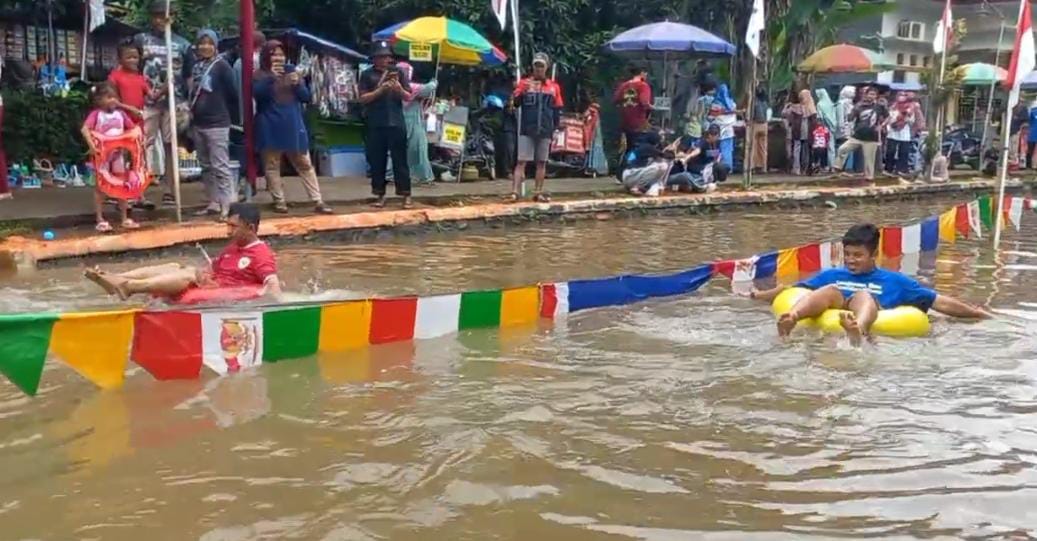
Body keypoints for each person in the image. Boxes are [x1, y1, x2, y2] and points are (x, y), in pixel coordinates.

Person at [748, 223, 989, 346]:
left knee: (863, 295)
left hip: (872, 318)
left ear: (873, 254)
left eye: (858, 255)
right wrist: (760, 296)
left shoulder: (896, 281)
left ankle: (857, 328)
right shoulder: (834, 274)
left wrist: (976, 313)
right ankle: (793, 318)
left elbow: (940, 301)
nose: (851, 260)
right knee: (829, 290)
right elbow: (793, 289)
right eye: (848, 254)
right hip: (832, 319)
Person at [84, 203, 282, 301]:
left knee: (188, 274)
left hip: (229, 292)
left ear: (251, 228)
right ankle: (118, 278)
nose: (228, 231)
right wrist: (205, 275)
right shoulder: (232, 249)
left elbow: (272, 283)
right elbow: (212, 270)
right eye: (228, 225)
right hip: (215, 284)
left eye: (234, 227)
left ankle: (131, 287)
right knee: (175, 266)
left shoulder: (261, 253)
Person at [254, 40, 333, 214]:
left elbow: (306, 97)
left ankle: (317, 200)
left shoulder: (292, 71)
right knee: (273, 165)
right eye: (273, 54)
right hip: (270, 124)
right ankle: (279, 201)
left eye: (281, 54)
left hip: (293, 123)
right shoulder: (260, 74)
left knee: (304, 163)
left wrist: (298, 83)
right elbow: (258, 95)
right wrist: (271, 78)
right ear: (266, 56)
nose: (278, 58)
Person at [133, 0, 192, 208]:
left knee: (170, 147)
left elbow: (188, 77)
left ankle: (170, 191)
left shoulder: (184, 45)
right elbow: (134, 68)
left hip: (174, 101)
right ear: (152, 17)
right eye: (157, 16)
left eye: (165, 16)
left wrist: (187, 103)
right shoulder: (141, 40)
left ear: (172, 17)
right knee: (142, 146)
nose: (161, 20)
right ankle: (137, 191)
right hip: (147, 101)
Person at [189, 29, 238, 220]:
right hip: (198, 122)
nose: (205, 47)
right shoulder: (196, 67)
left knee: (220, 166)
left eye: (209, 43)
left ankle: (228, 205)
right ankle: (213, 202)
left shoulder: (222, 67)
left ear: (215, 46)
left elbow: (233, 94)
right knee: (206, 165)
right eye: (202, 43)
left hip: (217, 123)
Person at [80, 82, 141, 233]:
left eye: (114, 97)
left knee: (121, 185)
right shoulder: (96, 115)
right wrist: (92, 147)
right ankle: (100, 218)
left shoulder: (121, 114)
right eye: (108, 97)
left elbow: (133, 127)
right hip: (102, 156)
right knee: (100, 187)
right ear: (98, 100)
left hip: (118, 155)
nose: (112, 100)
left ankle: (124, 217)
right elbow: (85, 129)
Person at [359, 40, 412, 209]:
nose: (384, 60)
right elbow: (363, 98)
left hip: (396, 121)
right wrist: (380, 90)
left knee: (400, 160)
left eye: (387, 57)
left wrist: (397, 88)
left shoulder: (398, 73)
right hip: (376, 122)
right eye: (381, 57)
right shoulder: (367, 75)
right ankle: (379, 194)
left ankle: (405, 194)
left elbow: (408, 96)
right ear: (374, 58)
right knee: (377, 160)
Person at [510, 52, 563, 202]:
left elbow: (557, 109)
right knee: (521, 161)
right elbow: (515, 103)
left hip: (545, 129)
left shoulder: (553, 87)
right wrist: (522, 92)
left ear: (546, 67)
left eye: (541, 66)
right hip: (527, 128)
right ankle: (514, 192)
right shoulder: (525, 83)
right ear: (533, 67)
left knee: (541, 162)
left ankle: (537, 192)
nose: (539, 69)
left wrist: (556, 128)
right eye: (536, 66)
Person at [834, 86, 886, 181]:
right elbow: (850, 118)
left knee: (869, 160)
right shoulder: (859, 106)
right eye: (870, 94)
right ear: (866, 95)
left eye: (873, 94)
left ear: (876, 96)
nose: (871, 96)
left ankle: (869, 179)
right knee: (842, 149)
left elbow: (888, 117)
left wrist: (881, 126)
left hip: (871, 138)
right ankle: (837, 167)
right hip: (857, 136)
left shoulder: (879, 106)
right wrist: (851, 111)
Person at [398, 61, 437, 186]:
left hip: (398, 121)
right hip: (412, 122)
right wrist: (434, 82)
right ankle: (422, 176)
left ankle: (394, 175)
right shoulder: (410, 87)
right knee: (418, 149)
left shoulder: (390, 86)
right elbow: (427, 89)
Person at [614, 65, 653, 157]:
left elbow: (616, 100)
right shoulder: (643, 86)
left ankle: (625, 165)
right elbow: (644, 102)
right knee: (638, 146)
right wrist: (652, 108)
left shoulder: (624, 85)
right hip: (638, 121)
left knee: (628, 145)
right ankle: (633, 165)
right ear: (642, 73)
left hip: (625, 121)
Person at [108, 43, 149, 121]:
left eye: (135, 57)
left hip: (139, 119)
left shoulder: (140, 78)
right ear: (120, 60)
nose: (132, 60)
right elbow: (110, 100)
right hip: (120, 119)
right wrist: (130, 109)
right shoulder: (114, 77)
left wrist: (165, 86)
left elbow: (152, 97)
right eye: (129, 58)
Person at [710, 84, 738, 169]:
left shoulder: (715, 104)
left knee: (715, 149)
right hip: (728, 130)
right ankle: (727, 167)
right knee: (727, 149)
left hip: (716, 130)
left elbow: (711, 116)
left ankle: (716, 166)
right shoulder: (732, 104)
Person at [782, 92, 809, 175]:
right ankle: (804, 168)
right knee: (804, 150)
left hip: (794, 130)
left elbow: (783, 114)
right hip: (804, 130)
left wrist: (786, 106)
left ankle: (796, 168)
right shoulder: (805, 107)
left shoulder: (791, 108)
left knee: (795, 149)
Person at [835, 86, 857, 172]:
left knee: (848, 149)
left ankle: (847, 167)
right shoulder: (841, 104)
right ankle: (842, 167)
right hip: (844, 130)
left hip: (851, 129)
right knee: (843, 148)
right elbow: (841, 118)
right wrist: (842, 129)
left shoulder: (850, 104)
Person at [815, 88, 837, 172]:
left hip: (824, 127)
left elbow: (819, 117)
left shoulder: (819, 104)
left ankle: (822, 165)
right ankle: (832, 166)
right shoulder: (830, 103)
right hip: (833, 126)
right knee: (832, 147)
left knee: (821, 147)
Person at [750, 84, 769, 174]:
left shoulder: (754, 103)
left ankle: (752, 166)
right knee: (763, 147)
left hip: (755, 124)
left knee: (753, 147)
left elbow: (751, 115)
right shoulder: (765, 103)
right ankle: (763, 167)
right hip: (764, 125)